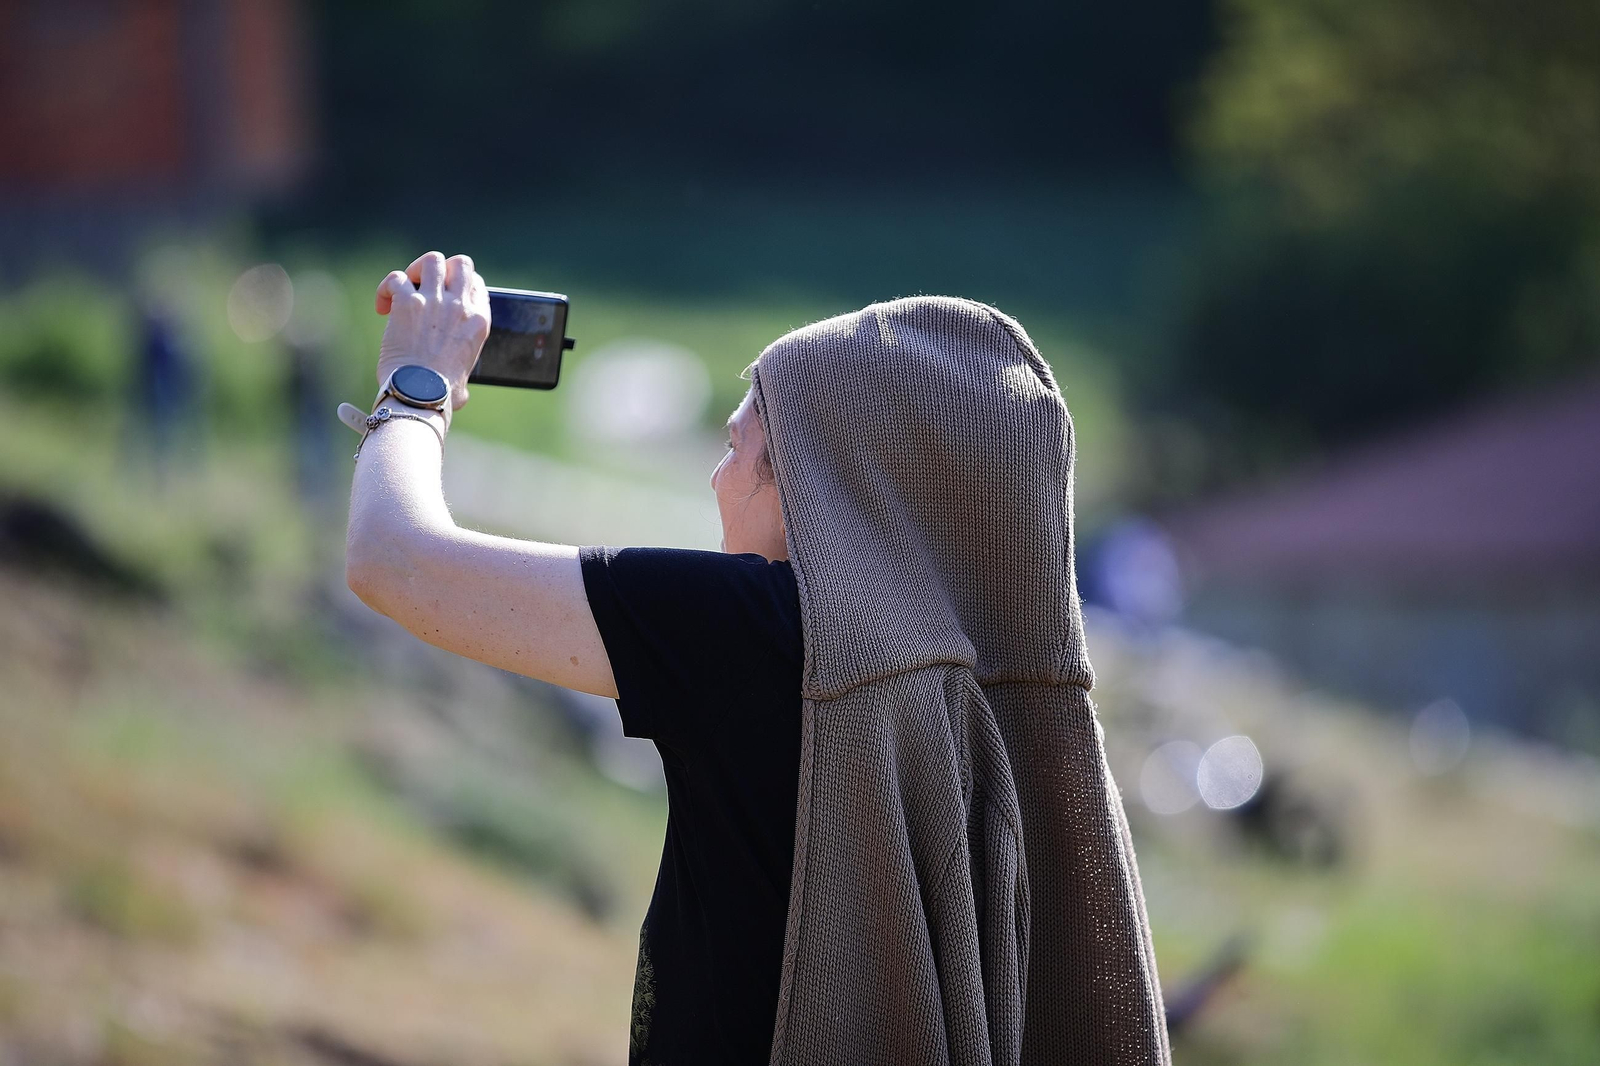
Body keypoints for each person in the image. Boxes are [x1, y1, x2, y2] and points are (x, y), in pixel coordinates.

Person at [343, 251, 1171, 1066]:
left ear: (820, 480)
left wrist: (416, 387)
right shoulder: (1020, 692)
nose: (714, 477)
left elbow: (394, 560)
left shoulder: (759, 634)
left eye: (738, 444)